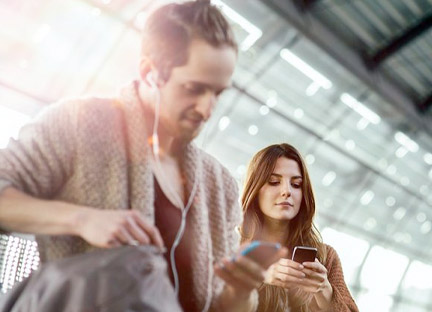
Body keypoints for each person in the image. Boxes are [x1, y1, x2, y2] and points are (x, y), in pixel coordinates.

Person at [0, 1, 277, 311]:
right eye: (193, 88)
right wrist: (81, 219)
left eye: (218, 92)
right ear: (149, 71)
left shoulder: (220, 186)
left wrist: (240, 291)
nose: (206, 109)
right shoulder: (79, 125)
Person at [240, 143, 360, 312]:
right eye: (274, 182)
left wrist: (325, 291)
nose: (286, 191)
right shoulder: (229, 249)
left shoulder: (325, 257)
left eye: (296, 185)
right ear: (255, 189)